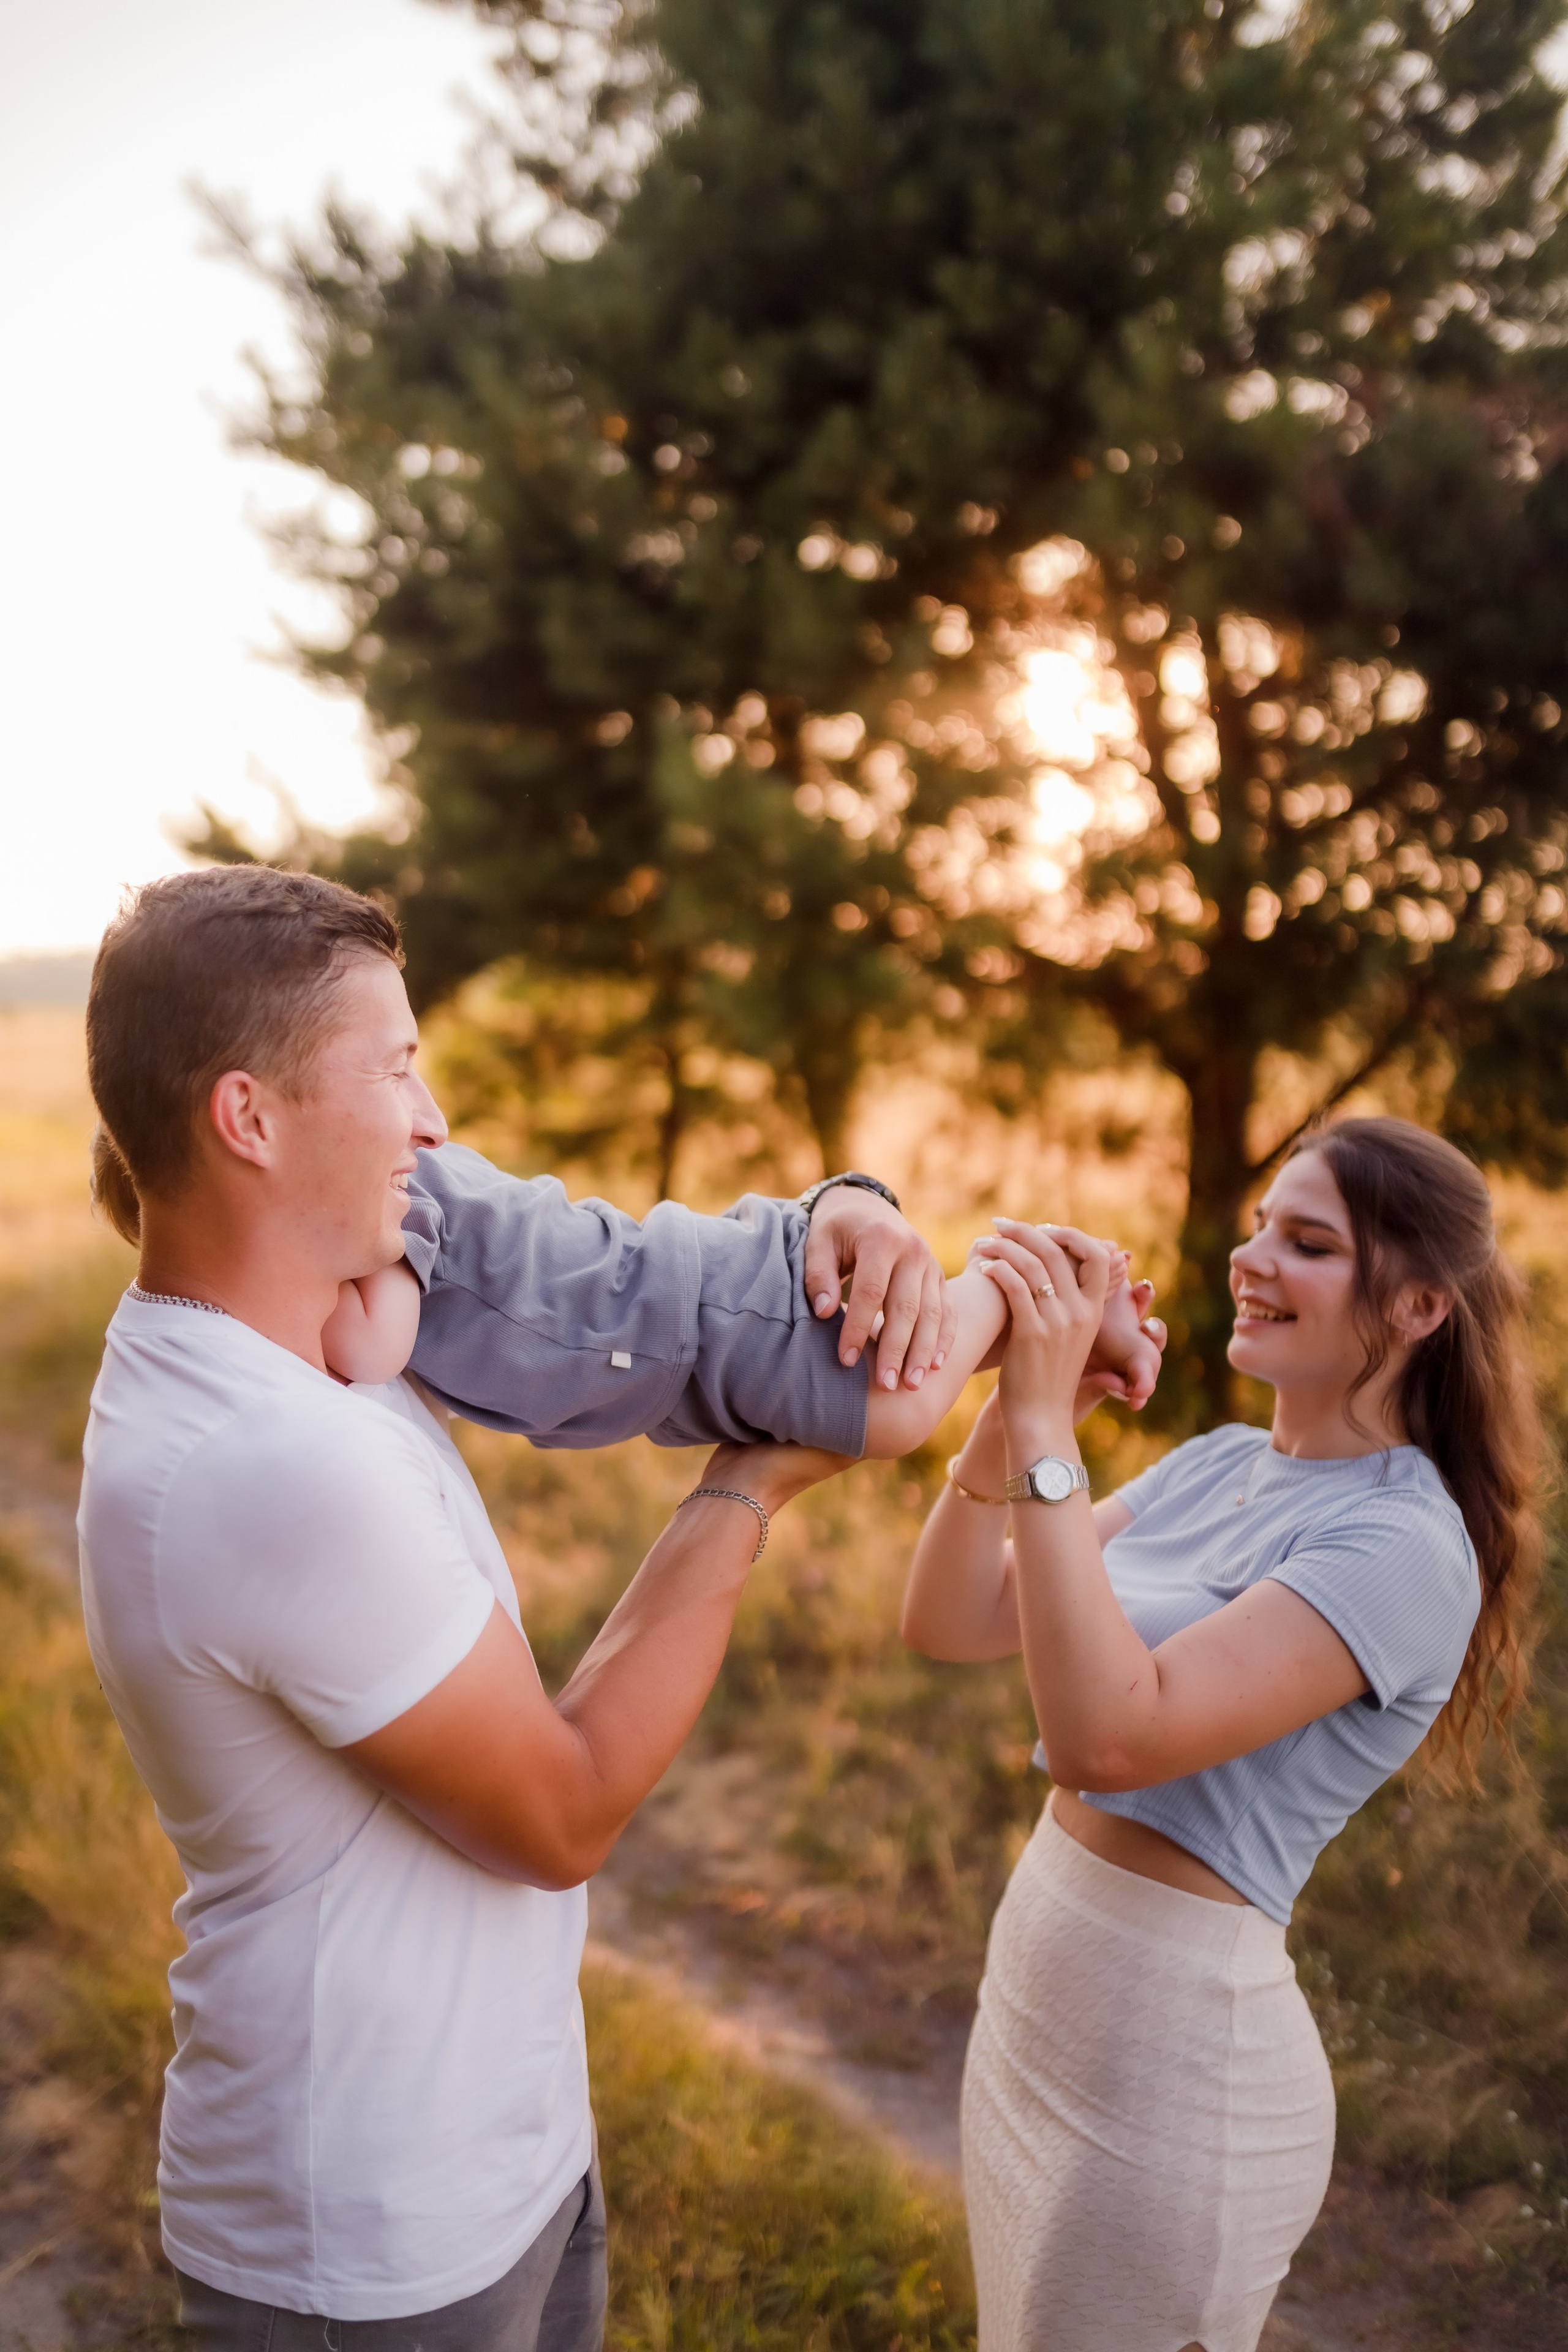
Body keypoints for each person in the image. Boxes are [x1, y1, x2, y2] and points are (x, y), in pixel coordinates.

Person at [78, 865, 862, 2349]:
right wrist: (747, 1491)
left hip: (490, 2151)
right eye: (396, 1070)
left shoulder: (303, 1344)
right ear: (247, 1120)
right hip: (370, 2235)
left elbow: (610, 1276)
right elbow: (559, 1812)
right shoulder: (262, 1458)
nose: (432, 1122)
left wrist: (843, 1208)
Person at [900, 1118, 1542, 2352]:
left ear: (1414, 1306)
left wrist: (1046, 1433)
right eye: (1258, 1226)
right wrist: (1015, 1420)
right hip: (1040, 1999)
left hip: (1175, 2075)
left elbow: (1108, 1741)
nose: (1250, 1258)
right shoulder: (1214, 1464)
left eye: (1304, 1243)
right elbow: (948, 1618)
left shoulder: (1401, 1547)